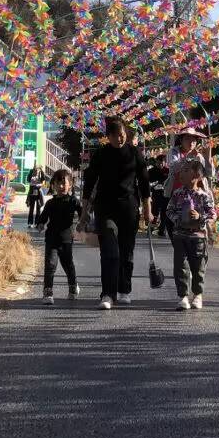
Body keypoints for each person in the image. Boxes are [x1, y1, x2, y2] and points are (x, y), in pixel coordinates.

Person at [81, 117, 151, 309]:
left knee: (126, 251)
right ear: (108, 137)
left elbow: (144, 184)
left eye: (122, 135)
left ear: (126, 134)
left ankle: (124, 289)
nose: (119, 139)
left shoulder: (135, 153)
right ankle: (107, 294)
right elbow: (89, 184)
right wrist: (84, 212)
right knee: (110, 251)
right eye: (114, 136)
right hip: (105, 208)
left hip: (129, 208)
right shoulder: (101, 154)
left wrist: (147, 210)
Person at [166, 159, 216, 310]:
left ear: (197, 176)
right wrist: (178, 219)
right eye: (182, 170)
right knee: (180, 266)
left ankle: (197, 294)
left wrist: (200, 218)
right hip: (180, 235)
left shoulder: (204, 195)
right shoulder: (177, 193)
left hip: (198, 237)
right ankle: (182, 296)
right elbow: (169, 211)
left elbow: (212, 214)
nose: (182, 173)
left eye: (186, 170)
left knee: (198, 266)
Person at [35, 168, 81, 305]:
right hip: (52, 239)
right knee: (50, 264)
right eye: (58, 183)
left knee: (68, 265)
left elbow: (83, 213)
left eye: (64, 183)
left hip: (67, 239)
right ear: (53, 185)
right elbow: (43, 217)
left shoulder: (73, 201)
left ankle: (73, 287)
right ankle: (48, 292)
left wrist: (84, 222)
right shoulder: (50, 203)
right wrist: (40, 224)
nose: (61, 187)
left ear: (70, 185)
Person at [163, 126, 213, 239]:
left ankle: (193, 246)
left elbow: (209, 173)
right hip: (177, 192)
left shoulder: (199, 155)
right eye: (187, 139)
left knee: (194, 220)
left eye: (194, 140)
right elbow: (173, 167)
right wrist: (189, 157)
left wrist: (207, 158)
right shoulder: (174, 152)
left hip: (195, 194)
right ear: (181, 140)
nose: (191, 142)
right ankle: (179, 244)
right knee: (174, 220)